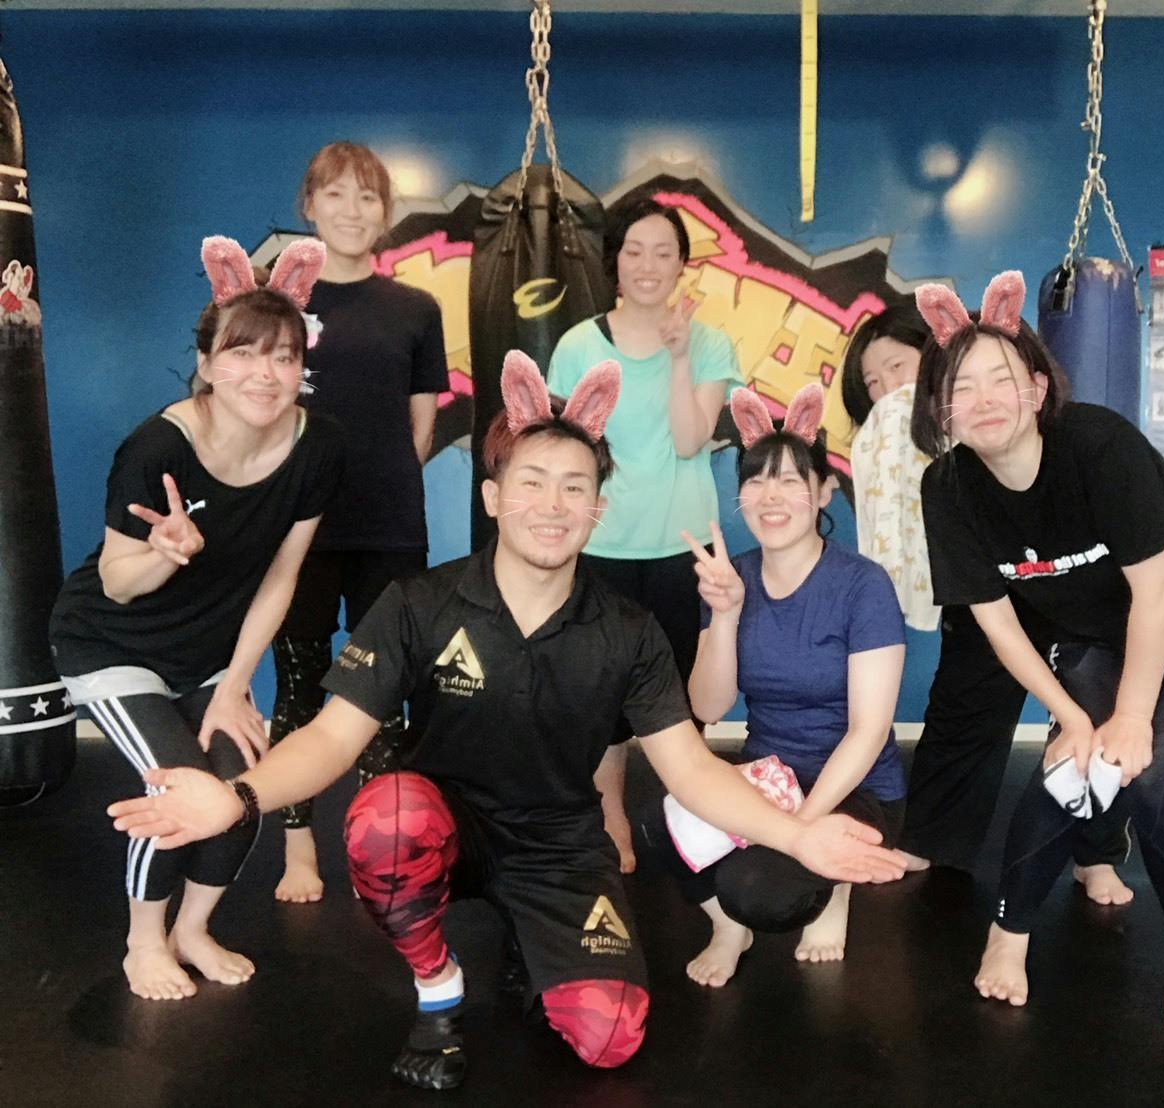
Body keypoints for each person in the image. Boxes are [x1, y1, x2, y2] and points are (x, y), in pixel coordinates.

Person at [107, 352, 907, 1091]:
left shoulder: (629, 632)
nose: (552, 506)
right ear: (492, 498)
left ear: (597, 509)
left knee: (610, 1037)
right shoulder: (419, 604)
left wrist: (798, 836)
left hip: (560, 846)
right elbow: (333, 737)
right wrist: (236, 797)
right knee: (384, 817)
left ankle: (536, 946)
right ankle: (437, 984)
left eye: (574, 488)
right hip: (444, 826)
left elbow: (692, 769)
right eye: (532, 483)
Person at [911, 272, 1164, 1033]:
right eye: (960, 387)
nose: (983, 399)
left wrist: (1133, 715)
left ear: (1037, 388)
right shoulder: (948, 488)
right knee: (1071, 762)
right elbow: (997, 623)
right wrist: (1069, 715)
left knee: (1157, 777)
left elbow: (1160, 588)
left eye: (1000, 379)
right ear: (940, 409)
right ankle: (1008, 933)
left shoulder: (1098, 444)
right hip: (1102, 629)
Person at [51, 236, 341, 1000]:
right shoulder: (156, 448)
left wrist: (235, 685)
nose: (265, 374)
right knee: (177, 789)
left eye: (283, 357)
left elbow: (281, 576)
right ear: (208, 363)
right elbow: (116, 584)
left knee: (239, 791)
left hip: (209, 654)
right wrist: (167, 555)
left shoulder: (318, 447)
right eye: (243, 354)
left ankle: (193, 930)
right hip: (111, 645)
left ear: (301, 367)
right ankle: (143, 942)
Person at [842, 303, 1132, 895]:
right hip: (986, 586)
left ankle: (1096, 851)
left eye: (897, 368)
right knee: (963, 701)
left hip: (1067, 579)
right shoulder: (903, 449)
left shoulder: (1046, 430)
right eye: (872, 383)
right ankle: (932, 837)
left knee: (1094, 700)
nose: (887, 390)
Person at [635, 384, 906, 986]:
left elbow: (868, 733)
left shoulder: (863, 585)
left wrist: (803, 829)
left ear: (823, 491)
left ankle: (835, 886)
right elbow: (707, 706)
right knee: (656, 823)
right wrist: (725, 615)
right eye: (755, 481)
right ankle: (728, 928)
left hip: (857, 788)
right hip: (767, 774)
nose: (770, 495)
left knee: (758, 888)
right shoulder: (731, 577)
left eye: (788, 479)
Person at [268, 141, 449, 904]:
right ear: (309, 205)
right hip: (297, 530)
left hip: (389, 528)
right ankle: (298, 847)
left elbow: (419, 430)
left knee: (383, 690)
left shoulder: (415, 309)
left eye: (367, 197)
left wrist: (378, 486)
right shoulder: (279, 305)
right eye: (336, 194)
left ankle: (388, 846)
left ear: (386, 213)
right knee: (299, 685)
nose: (352, 210)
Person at [547, 196, 742, 872]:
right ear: (615, 260)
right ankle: (612, 820)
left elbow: (689, 441)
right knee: (601, 696)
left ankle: (691, 814)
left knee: (686, 696)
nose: (649, 264)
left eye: (664, 252)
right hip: (601, 545)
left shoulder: (709, 343)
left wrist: (679, 357)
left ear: (683, 263)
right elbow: (563, 452)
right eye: (635, 250)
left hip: (683, 548)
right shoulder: (578, 346)